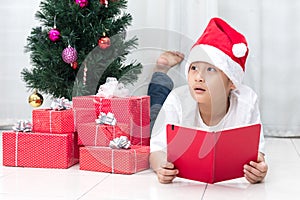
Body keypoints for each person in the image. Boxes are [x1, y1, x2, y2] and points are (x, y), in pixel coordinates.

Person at [148, 17, 268, 184]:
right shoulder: (177, 100)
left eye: (210, 70)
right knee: (152, 117)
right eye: (194, 68)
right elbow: (157, 150)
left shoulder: (246, 102)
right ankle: (161, 69)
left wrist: (258, 170)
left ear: (231, 82)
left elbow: (257, 154)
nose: (198, 77)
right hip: (172, 107)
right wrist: (161, 166)